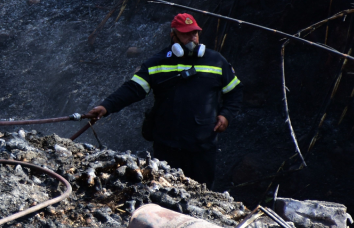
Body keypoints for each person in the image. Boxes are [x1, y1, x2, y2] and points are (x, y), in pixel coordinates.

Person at [87, 13, 242, 187]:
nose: (192, 38)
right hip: (168, 145)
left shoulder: (216, 61)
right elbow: (133, 89)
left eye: (195, 33)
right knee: (166, 190)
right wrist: (106, 106)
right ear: (173, 35)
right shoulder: (157, 63)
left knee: (201, 191)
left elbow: (234, 91)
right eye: (186, 34)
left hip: (202, 145)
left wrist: (226, 115)